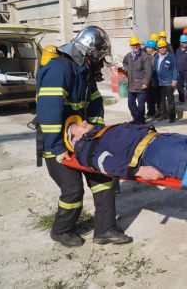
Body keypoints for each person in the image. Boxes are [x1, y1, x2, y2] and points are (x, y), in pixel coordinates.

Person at [36, 26, 131, 247]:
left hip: (81, 139)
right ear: (88, 54)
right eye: (98, 57)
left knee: (103, 179)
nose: (100, 63)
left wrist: (96, 134)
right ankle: (61, 230)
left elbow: (96, 104)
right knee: (73, 189)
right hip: (57, 142)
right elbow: (49, 112)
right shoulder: (59, 69)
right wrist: (57, 148)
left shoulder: (83, 73)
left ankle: (105, 230)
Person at [122, 36, 152, 125]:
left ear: (139, 44)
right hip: (131, 84)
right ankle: (136, 118)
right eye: (133, 45)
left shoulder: (144, 56)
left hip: (141, 85)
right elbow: (124, 62)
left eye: (136, 44)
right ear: (130, 46)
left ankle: (140, 120)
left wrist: (146, 83)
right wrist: (127, 69)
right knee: (130, 104)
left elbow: (149, 71)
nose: (135, 46)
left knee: (141, 105)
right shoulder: (129, 55)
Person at [154, 40, 178, 123]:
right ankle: (163, 115)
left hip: (168, 81)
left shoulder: (171, 56)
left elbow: (175, 68)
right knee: (161, 100)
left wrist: (174, 80)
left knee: (170, 100)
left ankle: (172, 117)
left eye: (163, 47)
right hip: (159, 82)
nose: (162, 49)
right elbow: (154, 68)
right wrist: (154, 79)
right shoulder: (157, 56)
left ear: (166, 47)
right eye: (160, 47)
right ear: (158, 49)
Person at [145, 39, 160, 118]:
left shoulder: (158, 56)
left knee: (157, 97)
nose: (146, 49)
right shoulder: (148, 56)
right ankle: (151, 110)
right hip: (149, 79)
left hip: (156, 79)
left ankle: (160, 111)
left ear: (151, 48)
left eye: (147, 47)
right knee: (149, 96)